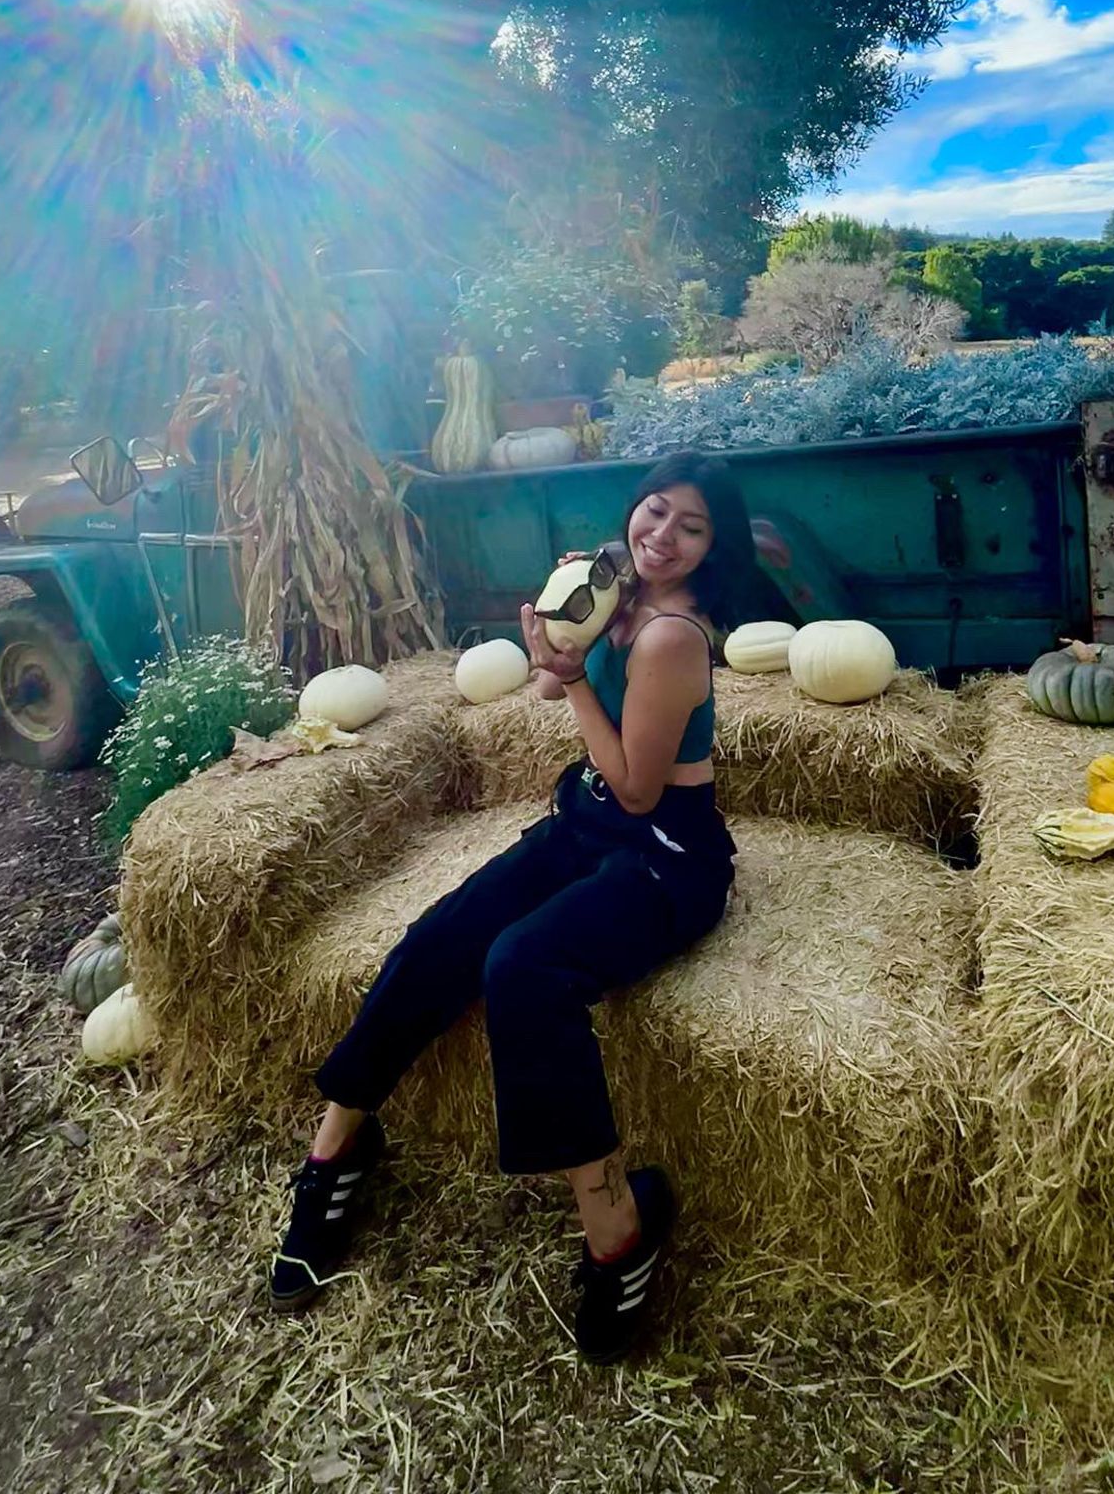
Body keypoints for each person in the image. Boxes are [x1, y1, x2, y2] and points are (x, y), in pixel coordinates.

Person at [269, 451, 756, 1362]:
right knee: (442, 935)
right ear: (634, 510)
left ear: (712, 545)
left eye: (691, 527)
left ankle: (618, 1238)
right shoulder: (617, 591)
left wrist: (574, 679)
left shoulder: (673, 637)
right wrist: (559, 647)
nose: (663, 537)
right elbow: (544, 688)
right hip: (587, 821)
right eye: (655, 513)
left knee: (523, 965)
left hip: (666, 854)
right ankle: (334, 1156)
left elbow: (641, 793)